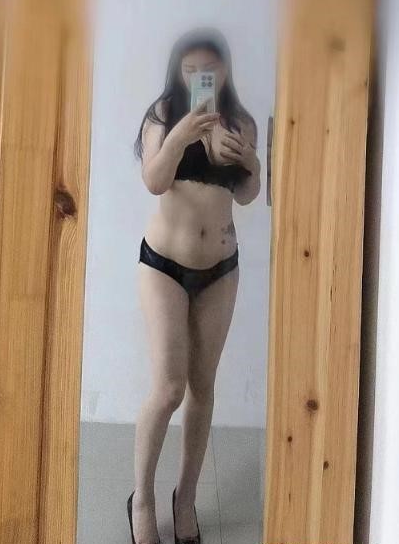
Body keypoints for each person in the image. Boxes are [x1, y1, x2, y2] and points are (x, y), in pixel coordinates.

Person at [126, 27, 261, 544]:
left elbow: (247, 194)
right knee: (168, 389)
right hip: (163, 265)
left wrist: (249, 161)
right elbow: (154, 181)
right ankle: (143, 498)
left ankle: (186, 499)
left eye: (210, 69)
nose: (201, 78)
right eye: (191, 71)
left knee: (203, 389)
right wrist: (183, 135)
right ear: (178, 73)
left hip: (220, 270)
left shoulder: (240, 122)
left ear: (225, 70)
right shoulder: (163, 116)